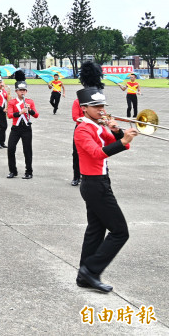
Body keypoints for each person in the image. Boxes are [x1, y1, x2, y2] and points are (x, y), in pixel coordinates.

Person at [74, 81, 137, 293]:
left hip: (100, 181)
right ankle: (91, 270)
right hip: (94, 184)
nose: (102, 111)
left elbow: (119, 143)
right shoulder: (83, 129)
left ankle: (84, 275)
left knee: (96, 230)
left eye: (103, 107)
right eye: (96, 107)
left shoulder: (97, 126)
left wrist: (117, 131)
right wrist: (121, 141)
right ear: (84, 108)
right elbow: (97, 153)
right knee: (120, 231)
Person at [6, 73, 38, 179]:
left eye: (24, 90)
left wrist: (30, 110)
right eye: (20, 90)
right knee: (10, 148)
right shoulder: (12, 102)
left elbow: (36, 115)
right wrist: (20, 112)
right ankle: (12, 171)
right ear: (16, 91)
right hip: (15, 128)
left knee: (27, 150)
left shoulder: (30, 101)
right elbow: (9, 115)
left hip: (26, 128)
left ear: (26, 91)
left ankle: (29, 172)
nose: (22, 92)